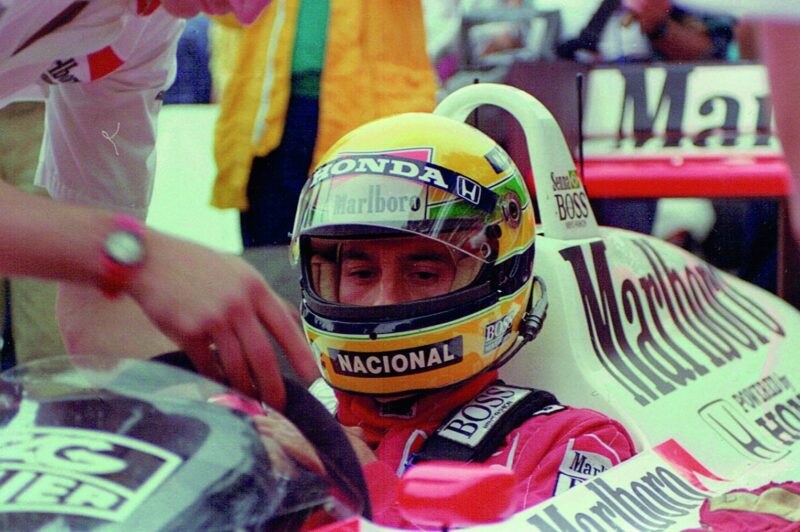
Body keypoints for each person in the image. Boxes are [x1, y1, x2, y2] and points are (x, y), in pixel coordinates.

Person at [288, 113, 636, 527]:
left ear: (503, 275)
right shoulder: (282, 423)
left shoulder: (568, 443)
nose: (385, 299)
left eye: (423, 275)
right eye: (361, 274)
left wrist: (359, 483)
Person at [0, 0, 318, 410]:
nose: (248, 16)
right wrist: (134, 256)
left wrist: (220, 416)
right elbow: (112, 264)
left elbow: (97, 310)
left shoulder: (146, 23)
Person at [209, 1, 437, 251]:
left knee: (361, 251)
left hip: (371, 115)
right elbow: (226, 12)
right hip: (269, 115)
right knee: (270, 248)